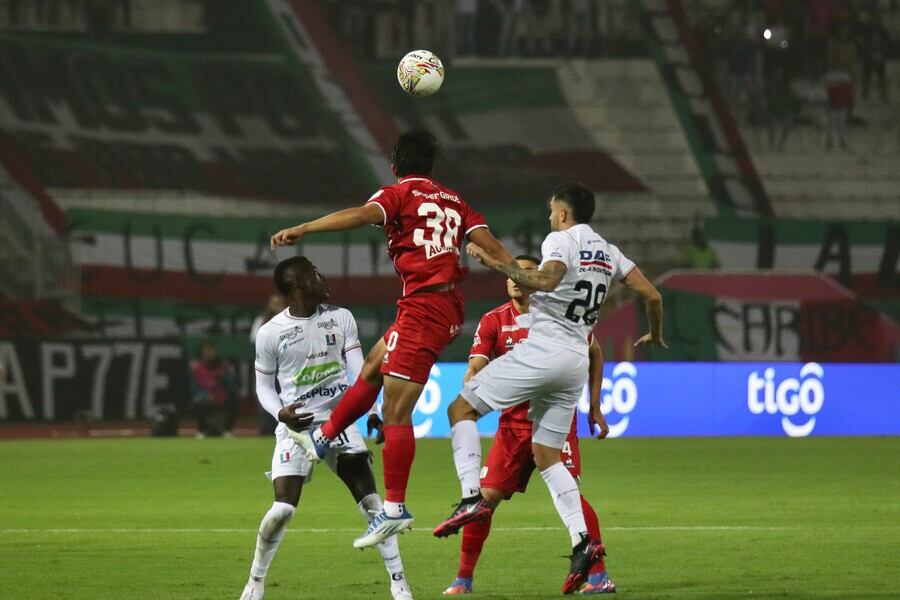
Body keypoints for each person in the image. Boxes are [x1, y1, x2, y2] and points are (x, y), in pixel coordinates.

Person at [269, 129, 514, 549]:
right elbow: (498, 252)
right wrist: (527, 277)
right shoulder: (456, 201)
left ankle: (395, 510)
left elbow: (361, 216)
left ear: (395, 165)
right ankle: (325, 435)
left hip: (424, 309)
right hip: (441, 304)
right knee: (373, 366)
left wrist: (304, 228)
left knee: (396, 412)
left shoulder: (398, 195)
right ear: (431, 167)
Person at [433, 182, 666, 594]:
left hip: (545, 350)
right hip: (576, 361)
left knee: (460, 411)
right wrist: (655, 333)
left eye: (550, 211)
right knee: (547, 456)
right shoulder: (609, 252)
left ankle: (471, 498)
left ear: (562, 212)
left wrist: (493, 262)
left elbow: (545, 280)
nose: (549, 217)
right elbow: (652, 294)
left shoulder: (560, 239)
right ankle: (582, 543)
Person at [442, 255, 616, 596]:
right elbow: (476, 363)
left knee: (570, 495)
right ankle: (463, 579)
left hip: (555, 420)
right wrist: (473, 383)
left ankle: (599, 577)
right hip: (512, 426)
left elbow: (594, 352)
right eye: (511, 274)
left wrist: (595, 406)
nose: (515, 279)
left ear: (537, 278)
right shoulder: (494, 320)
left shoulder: (563, 315)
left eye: (524, 273)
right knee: (485, 498)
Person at [240, 256, 412, 600]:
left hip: (340, 421)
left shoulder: (340, 318)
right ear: (300, 283)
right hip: (297, 429)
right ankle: (255, 582)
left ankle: (399, 584)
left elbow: (360, 372)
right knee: (283, 509)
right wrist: (281, 414)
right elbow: (263, 387)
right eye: (316, 274)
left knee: (374, 505)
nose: (324, 278)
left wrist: (374, 410)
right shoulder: (271, 333)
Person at [250, 293, 287, 436]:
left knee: (284, 395)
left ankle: (284, 426)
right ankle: (265, 428)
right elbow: (254, 339)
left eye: (278, 303)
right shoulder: (262, 320)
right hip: (266, 363)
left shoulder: (289, 321)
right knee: (265, 393)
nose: (275, 306)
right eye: (273, 303)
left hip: (284, 365)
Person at [190, 341, 238, 438]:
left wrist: (223, 378)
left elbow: (231, 385)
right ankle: (202, 430)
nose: (209, 353)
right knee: (199, 401)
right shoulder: (197, 368)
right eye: (206, 351)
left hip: (221, 395)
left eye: (211, 350)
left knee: (233, 398)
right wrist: (205, 395)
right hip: (205, 396)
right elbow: (194, 387)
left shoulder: (223, 366)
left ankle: (227, 430)